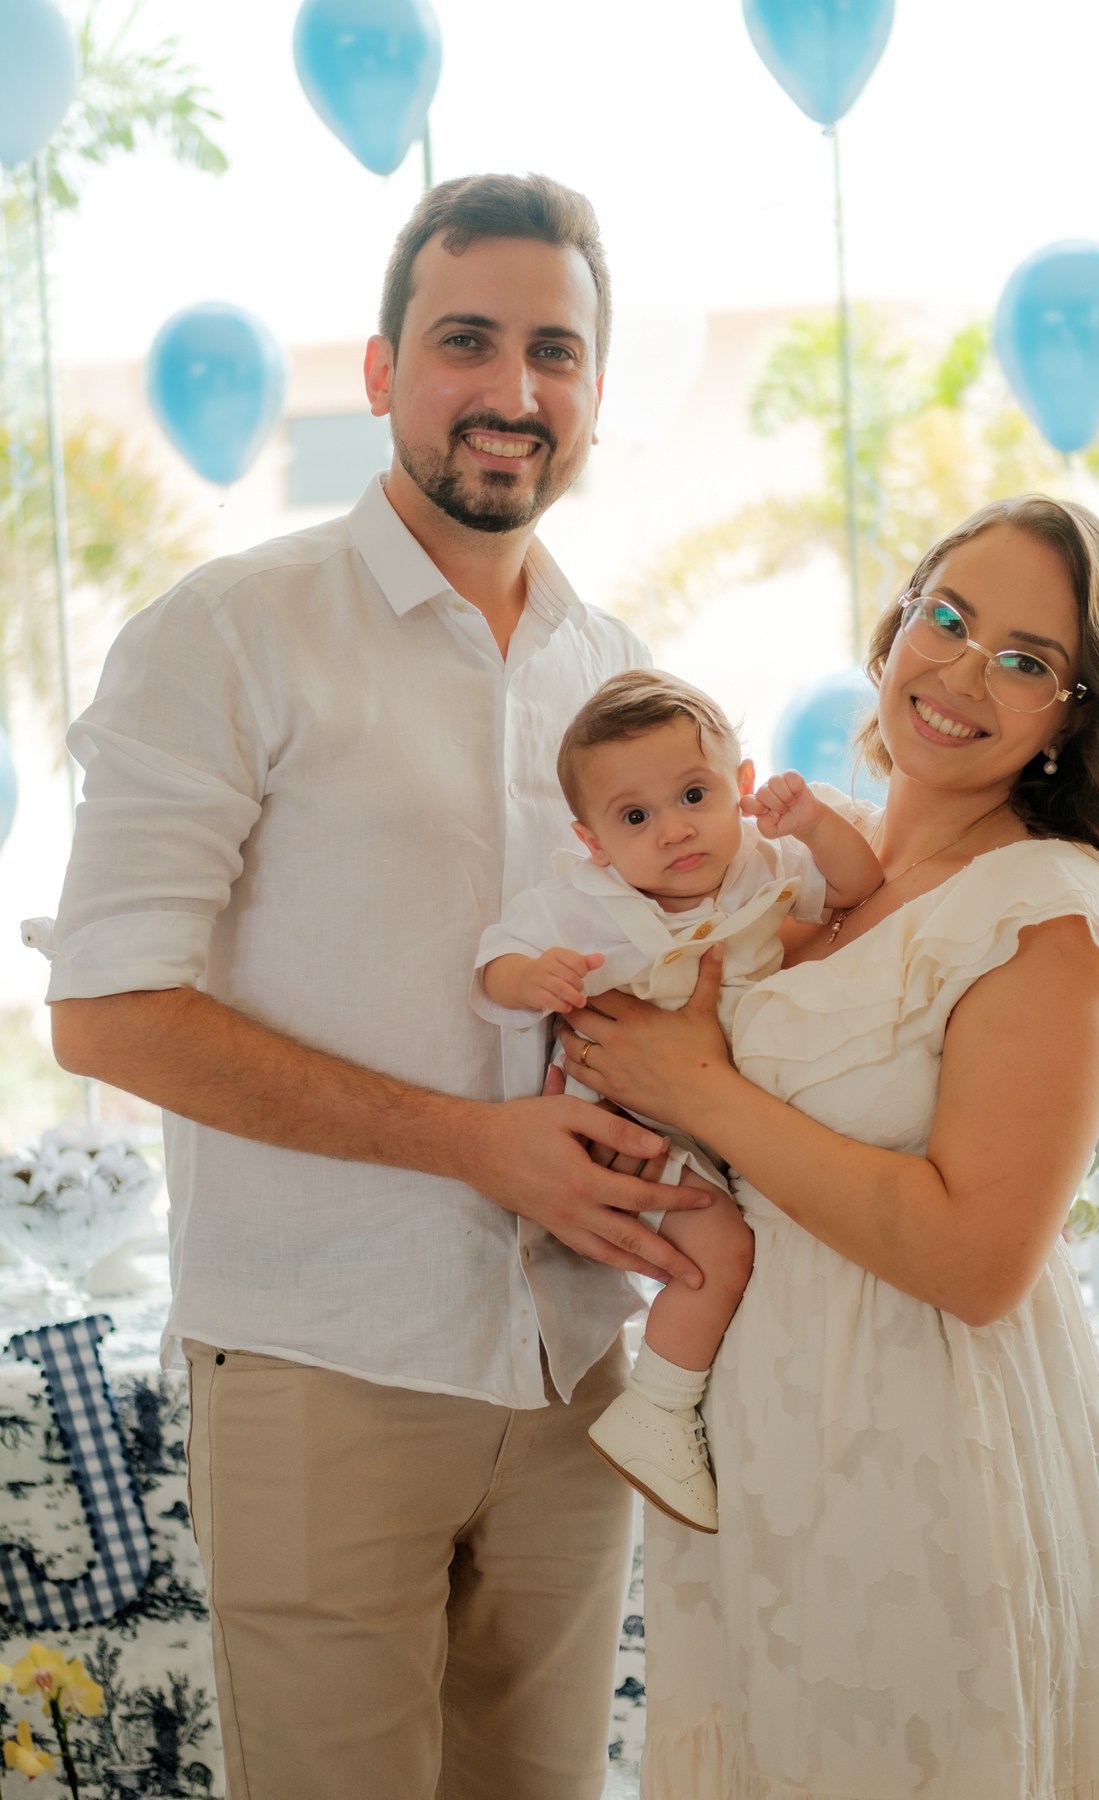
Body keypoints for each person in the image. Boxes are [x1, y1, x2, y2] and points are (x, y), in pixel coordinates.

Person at [26, 174, 714, 1800]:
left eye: (555, 351)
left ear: (594, 392)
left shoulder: (613, 670)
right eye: (466, 340)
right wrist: (475, 1146)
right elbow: (106, 1009)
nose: (512, 388)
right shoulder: (226, 633)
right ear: (380, 368)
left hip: (577, 1364)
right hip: (322, 1364)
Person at [557, 495, 1099, 1798]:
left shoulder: (1048, 910)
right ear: (897, 620)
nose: (961, 673)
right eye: (946, 618)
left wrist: (700, 1090)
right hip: (766, 1444)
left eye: (1025, 660)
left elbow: (979, 1260)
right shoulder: (795, 869)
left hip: (924, 1457)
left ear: (1072, 716)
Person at [475, 668, 882, 1533]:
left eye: (694, 795)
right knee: (720, 1252)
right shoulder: (582, 903)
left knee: (758, 1243)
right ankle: (658, 1407)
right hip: (628, 1125)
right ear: (592, 841)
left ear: (742, 786)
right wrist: (531, 977)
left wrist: (813, 822)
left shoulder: (766, 863)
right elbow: (493, 961)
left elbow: (855, 885)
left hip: (720, 1111)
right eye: (635, 818)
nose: (674, 829)